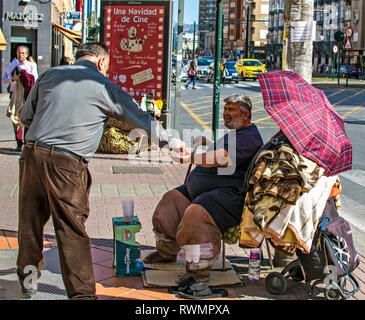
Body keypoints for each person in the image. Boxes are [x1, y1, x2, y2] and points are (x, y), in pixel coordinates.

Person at [17, 42, 184, 300]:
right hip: (66, 164)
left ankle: (28, 282)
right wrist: (172, 142)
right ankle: (82, 296)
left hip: (31, 155)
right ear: (102, 62)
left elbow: (25, 115)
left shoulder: (49, 75)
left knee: (29, 223)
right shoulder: (103, 86)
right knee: (71, 230)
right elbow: (139, 117)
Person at [143, 94, 264, 284]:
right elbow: (223, 149)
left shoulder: (249, 136)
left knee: (196, 216)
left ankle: (197, 274)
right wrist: (205, 145)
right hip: (204, 191)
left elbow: (224, 157)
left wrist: (190, 157)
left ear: (246, 114)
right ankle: (166, 253)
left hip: (228, 199)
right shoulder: (238, 133)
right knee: (169, 203)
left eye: (231, 110)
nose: (226, 114)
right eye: (225, 109)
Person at [2, 45, 38, 151]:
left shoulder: (31, 65)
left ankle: (26, 141)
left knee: (27, 118)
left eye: (22, 53)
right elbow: (5, 78)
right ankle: (19, 142)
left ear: (26, 54)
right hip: (15, 94)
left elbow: (34, 79)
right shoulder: (13, 64)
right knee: (15, 117)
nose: (20, 55)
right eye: (19, 52)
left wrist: (23, 76)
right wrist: (12, 78)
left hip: (27, 94)